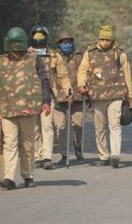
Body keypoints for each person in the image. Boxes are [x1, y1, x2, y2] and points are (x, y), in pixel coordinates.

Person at [0, 27, 52, 190]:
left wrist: (46, 101)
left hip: (29, 108)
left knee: (27, 143)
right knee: (9, 143)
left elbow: (44, 80)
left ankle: (28, 175)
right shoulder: (0, 61)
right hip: (7, 109)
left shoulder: (34, 59)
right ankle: (9, 177)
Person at [77, 25, 132, 168]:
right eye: (102, 39)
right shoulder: (90, 52)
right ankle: (103, 156)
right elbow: (83, 70)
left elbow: (127, 74)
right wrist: (81, 84)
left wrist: (131, 96)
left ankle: (115, 155)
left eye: (108, 39)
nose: (105, 42)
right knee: (99, 128)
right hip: (96, 96)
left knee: (114, 125)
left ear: (112, 40)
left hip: (116, 95)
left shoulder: (119, 53)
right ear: (98, 39)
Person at [29, 25, 72, 170]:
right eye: (36, 35)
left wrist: (68, 90)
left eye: (41, 35)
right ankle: (38, 157)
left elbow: (63, 76)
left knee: (47, 127)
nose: (38, 38)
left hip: (48, 96)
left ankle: (47, 157)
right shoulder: (26, 55)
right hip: (30, 97)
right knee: (35, 129)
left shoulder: (54, 55)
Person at [53, 32, 85, 164]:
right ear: (59, 45)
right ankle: (64, 154)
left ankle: (78, 146)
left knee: (78, 124)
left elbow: (84, 73)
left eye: (69, 42)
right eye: (64, 42)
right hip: (59, 97)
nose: (67, 45)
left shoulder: (79, 57)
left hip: (77, 96)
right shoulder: (54, 57)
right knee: (60, 127)